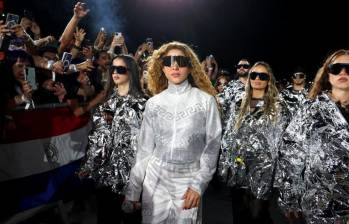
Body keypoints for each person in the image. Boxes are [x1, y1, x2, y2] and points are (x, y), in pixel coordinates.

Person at [125, 41, 221, 223]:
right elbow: (144, 150)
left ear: (190, 67)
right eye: (169, 61)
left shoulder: (206, 101)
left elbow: (212, 146)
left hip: (189, 179)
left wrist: (198, 185)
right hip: (155, 179)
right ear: (162, 67)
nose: (175, 66)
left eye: (181, 61)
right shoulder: (153, 103)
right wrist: (133, 191)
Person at [278, 49, 349, 224]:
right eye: (337, 68)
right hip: (323, 202)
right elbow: (291, 154)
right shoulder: (311, 109)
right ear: (327, 73)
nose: (343, 72)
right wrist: (290, 198)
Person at [219, 61, 290, 224]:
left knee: (259, 215)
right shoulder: (239, 103)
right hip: (239, 167)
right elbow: (229, 134)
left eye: (263, 76)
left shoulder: (279, 106)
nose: (257, 79)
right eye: (254, 75)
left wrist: (281, 174)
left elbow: (285, 140)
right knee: (239, 214)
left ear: (269, 80)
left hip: (263, 171)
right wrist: (224, 165)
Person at [79, 54, 147, 224]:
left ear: (131, 72)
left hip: (134, 178)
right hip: (107, 177)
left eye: (120, 69)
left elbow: (149, 144)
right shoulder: (106, 103)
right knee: (106, 218)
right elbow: (99, 139)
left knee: (133, 220)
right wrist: (89, 165)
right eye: (112, 68)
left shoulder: (144, 104)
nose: (115, 72)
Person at [217, 58, 251, 131]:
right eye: (239, 66)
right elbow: (220, 102)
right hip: (232, 131)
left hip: (250, 129)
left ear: (250, 69)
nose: (241, 68)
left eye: (245, 66)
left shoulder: (255, 86)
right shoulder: (231, 86)